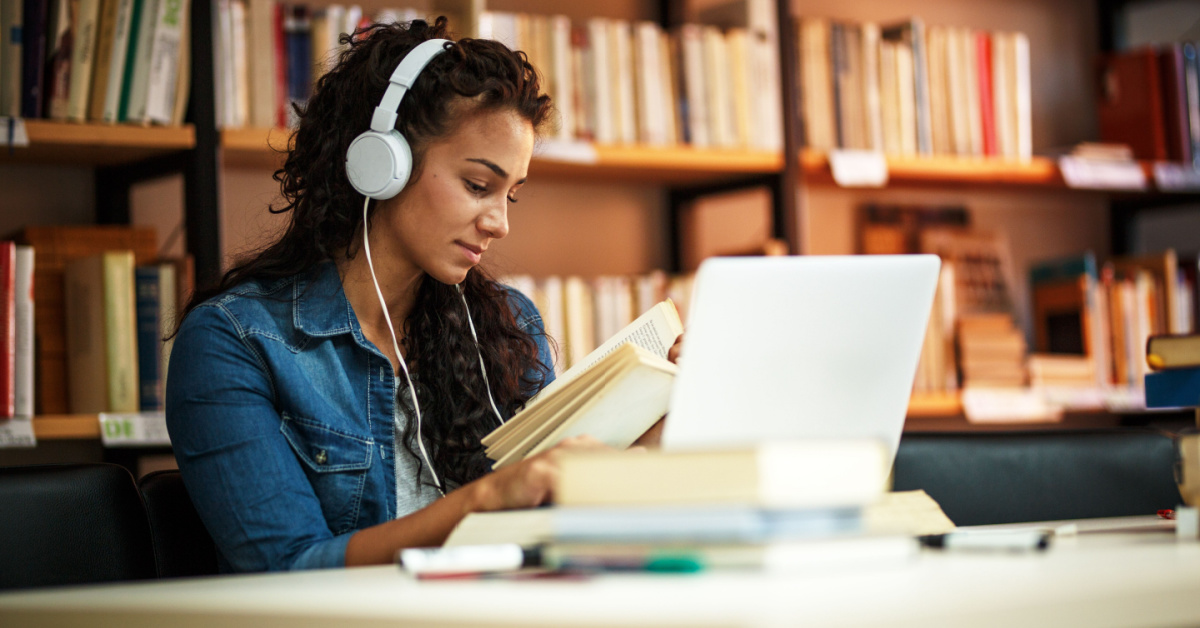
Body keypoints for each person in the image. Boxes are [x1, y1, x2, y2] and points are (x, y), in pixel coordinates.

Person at [166, 17, 667, 573]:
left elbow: (550, 520)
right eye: (478, 186)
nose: (499, 223)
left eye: (511, 195)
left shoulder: (505, 326)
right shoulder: (233, 342)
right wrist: (481, 500)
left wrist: (652, 430)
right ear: (382, 163)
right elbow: (288, 568)